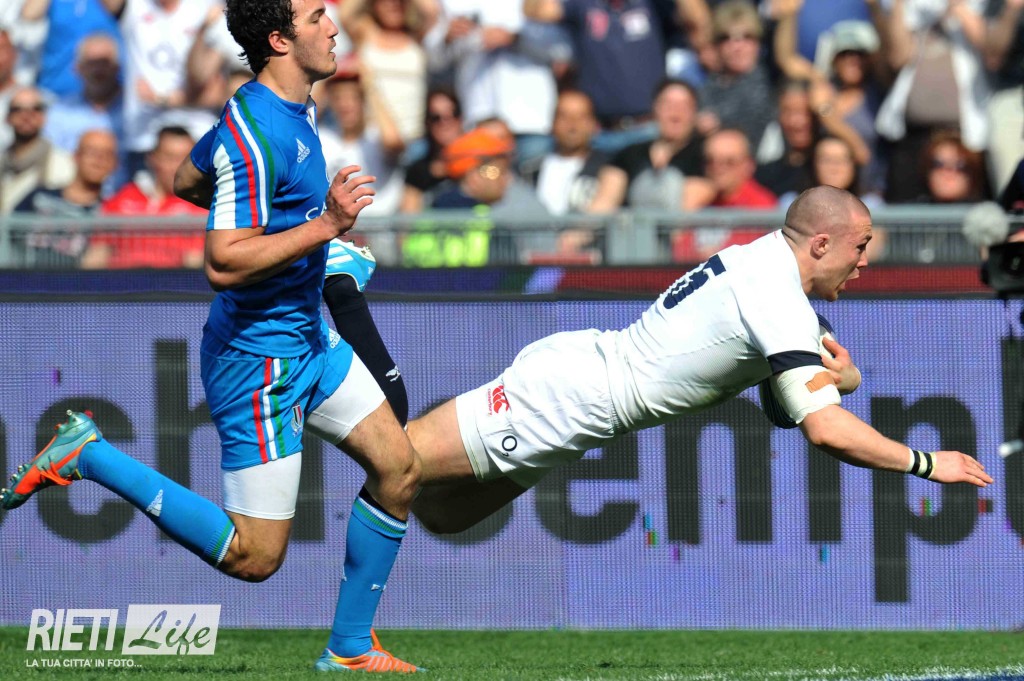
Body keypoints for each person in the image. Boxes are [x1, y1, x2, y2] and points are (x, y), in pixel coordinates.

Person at [1, 0, 423, 673]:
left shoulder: (285, 107)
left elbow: (188, 178)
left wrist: (304, 240)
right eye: (317, 16)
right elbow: (223, 263)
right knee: (255, 558)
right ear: (280, 39)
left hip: (307, 337)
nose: (334, 25)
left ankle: (349, 648)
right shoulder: (257, 132)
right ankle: (89, 455)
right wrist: (324, 228)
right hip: (259, 360)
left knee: (398, 468)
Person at [403, 185, 993, 536]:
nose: (864, 262)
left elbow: (782, 405)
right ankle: (358, 643)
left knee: (440, 513)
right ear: (821, 244)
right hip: (575, 397)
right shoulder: (779, 298)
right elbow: (824, 430)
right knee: (395, 460)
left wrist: (845, 377)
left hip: (583, 385)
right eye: (859, 247)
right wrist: (924, 463)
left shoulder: (762, 261)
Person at [80, 125, 207, 269]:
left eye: (185, 159)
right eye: (170, 158)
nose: (177, 167)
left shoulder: (200, 208)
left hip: (172, 282)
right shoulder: (122, 199)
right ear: (152, 158)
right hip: (121, 280)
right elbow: (97, 256)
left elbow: (195, 266)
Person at [12, 128, 119, 267]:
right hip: (24, 278)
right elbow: (7, 235)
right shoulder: (39, 198)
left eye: (107, 154)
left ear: (115, 164)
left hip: (74, 280)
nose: (99, 160)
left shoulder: (109, 214)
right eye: (92, 152)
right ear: (76, 156)